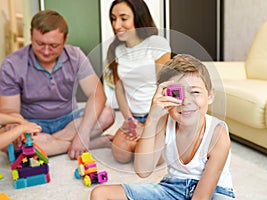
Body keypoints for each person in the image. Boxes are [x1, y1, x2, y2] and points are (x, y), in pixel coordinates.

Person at [90, 54, 236, 200]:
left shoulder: (218, 135)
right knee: (100, 194)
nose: (186, 102)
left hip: (214, 193)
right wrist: (152, 119)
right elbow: (143, 170)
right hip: (172, 188)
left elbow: (201, 197)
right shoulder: (165, 123)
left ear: (210, 96)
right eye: (176, 93)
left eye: (195, 92)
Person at [0, 10, 114, 160]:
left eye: (53, 45)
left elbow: (97, 94)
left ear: (65, 39)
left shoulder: (76, 56)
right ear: (31, 35)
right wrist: (16, 125)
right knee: (8, 139)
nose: (46, 51)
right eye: (40, 44)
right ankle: (86, 144)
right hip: (32, 124)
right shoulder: (12, 64)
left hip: (68, 120)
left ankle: (57, 144)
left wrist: (84, 133)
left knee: (107, 114)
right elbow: (9, 110)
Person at [106, 0, 171, 163]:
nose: (116, 25)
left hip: (158, 116)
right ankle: (143, 142)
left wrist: (149, 125)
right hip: (134, 117)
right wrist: (130, 120)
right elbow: (119, 90)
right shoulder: (116, 50)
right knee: (120, 155)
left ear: (138, 17)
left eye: (123, 18)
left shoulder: (157, 44)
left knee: (148, 159)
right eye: (113, 19)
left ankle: (168, 138)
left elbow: (164, 88)